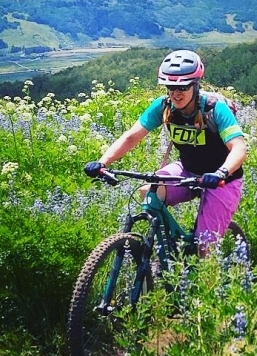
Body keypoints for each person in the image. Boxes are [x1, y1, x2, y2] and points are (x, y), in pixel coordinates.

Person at [84, 49, 247, 256]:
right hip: (188, 171)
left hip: (223, 179)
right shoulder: (164, 106)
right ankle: (169, 250)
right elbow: (131, 136)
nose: (176, 93)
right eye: (171, 87)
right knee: (148, 192)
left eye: (183, 87)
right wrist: (103, 162)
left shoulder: (215, 109)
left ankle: (207, 283)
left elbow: (239, 147)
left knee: (205, 248)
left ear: (195, 85)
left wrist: (221, 173)